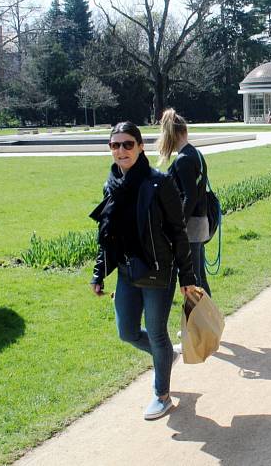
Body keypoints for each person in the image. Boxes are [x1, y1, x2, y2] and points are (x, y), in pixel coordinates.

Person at [89, 121, 197, 421]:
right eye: (115, 145)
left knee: (158, 333)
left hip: (158, 272)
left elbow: (178, 232)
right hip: (126, 272)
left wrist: (187, 278)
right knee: (126, 332)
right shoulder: (111, 184)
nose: (121, 150)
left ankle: (162, 395)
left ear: (140, 147)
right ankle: (166, 357)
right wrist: (99, 273)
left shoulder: (159, 182)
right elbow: (108, 235)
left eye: (127, 144)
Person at [158, 108, 211, 298]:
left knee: (194, 280)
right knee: (199, 278)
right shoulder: (195, 154)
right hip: (200, 220)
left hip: (191, 225)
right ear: (184, 131)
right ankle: (205, 324)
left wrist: (177, 225)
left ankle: (202, 326)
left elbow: (189, 196)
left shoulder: (183, 160)